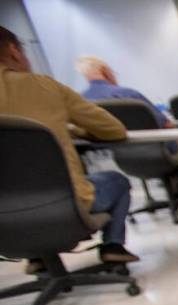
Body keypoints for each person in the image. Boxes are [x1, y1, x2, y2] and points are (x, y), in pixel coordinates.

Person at [0, 26, 139, 267]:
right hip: (65, 205)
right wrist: (71, 130)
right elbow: (114, 129)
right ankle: (112, 246)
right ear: (13, 50)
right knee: (116, 181)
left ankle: (38, 257)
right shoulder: (44, 87)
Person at [75, 55, 178, 199]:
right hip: (161, 151)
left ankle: (176, 191)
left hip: (124, 157)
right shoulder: (128, 95)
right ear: (105, 71)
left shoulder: (82, 100)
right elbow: (165, 124)